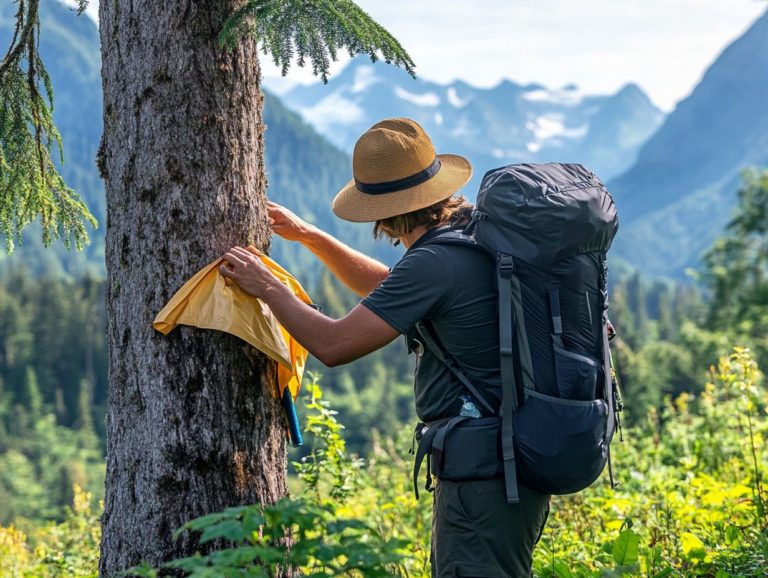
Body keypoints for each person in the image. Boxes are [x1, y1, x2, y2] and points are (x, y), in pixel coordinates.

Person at [219, 118, 549, 577]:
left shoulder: (434, 261)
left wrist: (269, 289)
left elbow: (333, 345)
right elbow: (391, 290)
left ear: (382, 211)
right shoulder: (470, 235)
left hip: (487, 471)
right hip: (511, 457)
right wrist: (311, 237)